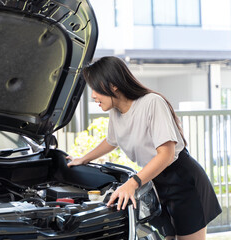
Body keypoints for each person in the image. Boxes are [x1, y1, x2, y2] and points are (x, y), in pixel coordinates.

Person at [66, 56, 222, 240]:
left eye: (95, 88)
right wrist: (83, 159)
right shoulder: (116, 112)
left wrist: (132, 183)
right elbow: (111, 141)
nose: (93, 96)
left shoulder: (152, 103)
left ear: (112, 85)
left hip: (182, 180)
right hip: (154, 181)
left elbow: (167, 154)